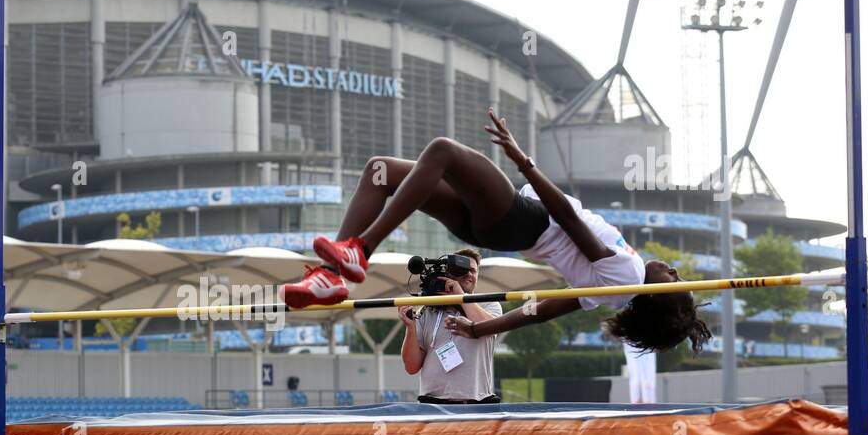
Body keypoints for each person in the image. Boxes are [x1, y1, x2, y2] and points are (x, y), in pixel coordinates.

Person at [283, 109, 711, 354]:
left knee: (443, 151)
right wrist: (481, 329)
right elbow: (540, 310)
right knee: (381, 172)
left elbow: (566, 218)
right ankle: (330, 277)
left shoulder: (630, 276)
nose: (672, 269)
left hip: (523, 219)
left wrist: (523, 161)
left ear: (660, 297)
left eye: (675, 280)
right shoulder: (612, 288)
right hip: (497, 229)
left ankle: (360, 252)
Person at [397, 248, 503, 403]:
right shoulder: (428, 310)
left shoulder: (488, 303)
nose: (469, 274)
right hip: (432, 403)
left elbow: (488, 327)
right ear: (449, 273)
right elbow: (411, 367)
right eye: (463, 270)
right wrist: (410, 328)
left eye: (473, 271)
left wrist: (460, 297)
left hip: (475, 403)